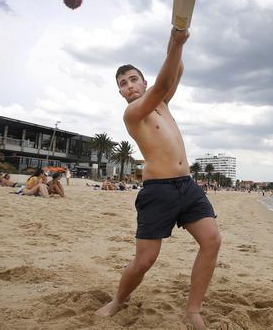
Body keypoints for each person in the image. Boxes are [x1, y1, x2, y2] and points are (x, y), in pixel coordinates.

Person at [96, 27, 221, 330]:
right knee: (145, 260)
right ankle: (119, 300)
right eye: (122, 84)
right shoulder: (133, 113)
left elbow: (174, 72)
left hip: (187, 186)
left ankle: (193, 310)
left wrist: (176, 40)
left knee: (212, 240)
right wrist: (176, 43)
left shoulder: (162, 103)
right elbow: (165, 79)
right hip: (158, 191)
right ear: (121, 93)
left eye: (133, 79)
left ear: (144, 81)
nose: (128, 85)